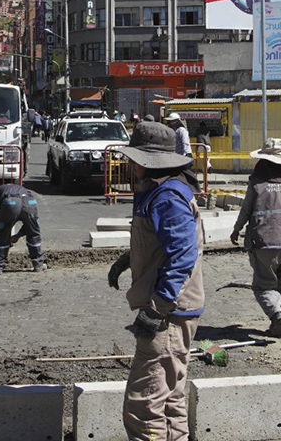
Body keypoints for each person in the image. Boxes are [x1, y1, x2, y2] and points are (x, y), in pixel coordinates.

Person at [110, 121, 204, 441]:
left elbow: (182, 256)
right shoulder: (162, 189)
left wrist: (156, 308)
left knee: (144, 404)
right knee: (171, 396)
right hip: (177, 308)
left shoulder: (166, 196)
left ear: (144, 161)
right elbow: (162, 244)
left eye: (133, 159)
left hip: (169, 313)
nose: (129, 164)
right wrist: (129, 259)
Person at [231, 138, 281, 338]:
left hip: (264, 244)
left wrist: (236, 230)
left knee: (262, 285)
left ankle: (277, 315)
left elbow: (246, 210)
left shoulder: (257, 183)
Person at [0, 183, 45, 274]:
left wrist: (2, 226)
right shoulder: (23, 189)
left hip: (11, 203)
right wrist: (19, 235)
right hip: (29, 202)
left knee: (3, 237)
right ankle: (38, 264)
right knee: (33, 232)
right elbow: (30, 225)